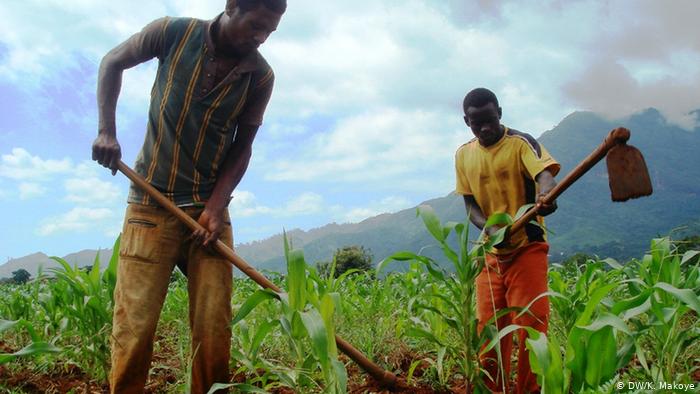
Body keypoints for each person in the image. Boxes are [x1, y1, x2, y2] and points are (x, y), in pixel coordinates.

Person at [91, 0, 286, 392]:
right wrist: (107, 131)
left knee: (215, 327)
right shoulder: (172, 33)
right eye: (255, 26)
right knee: (135, 327)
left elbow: (242, 146)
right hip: (150, 206)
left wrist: (215, 208)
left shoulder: (259, 76)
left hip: (207, 214)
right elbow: (112, 61)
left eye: (269, 32)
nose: (260, 38)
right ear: (232, 6)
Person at [454, 88, 560, 393]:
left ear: (499, 112)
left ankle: (529, 390)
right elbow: (470, 205)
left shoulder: (520, 143)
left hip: (527, 248)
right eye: (477, 124)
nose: (485, 128)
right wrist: (489, 228)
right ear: (467, 121)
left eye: (489, 120)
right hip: (490, 253)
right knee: (488, 330)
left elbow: (544, 176)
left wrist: (546, 194)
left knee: (531, 328)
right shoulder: (463, 154)